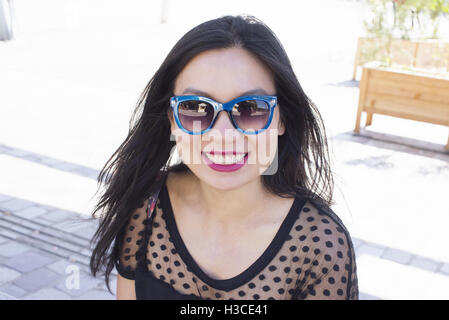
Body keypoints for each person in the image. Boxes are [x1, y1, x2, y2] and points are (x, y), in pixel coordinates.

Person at [89, 14, 359, 300]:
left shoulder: (320, 245)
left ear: (283, 120)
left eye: (251, 108)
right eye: (195, 107)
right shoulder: (146, 203)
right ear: (171, 120)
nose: (223, 135)